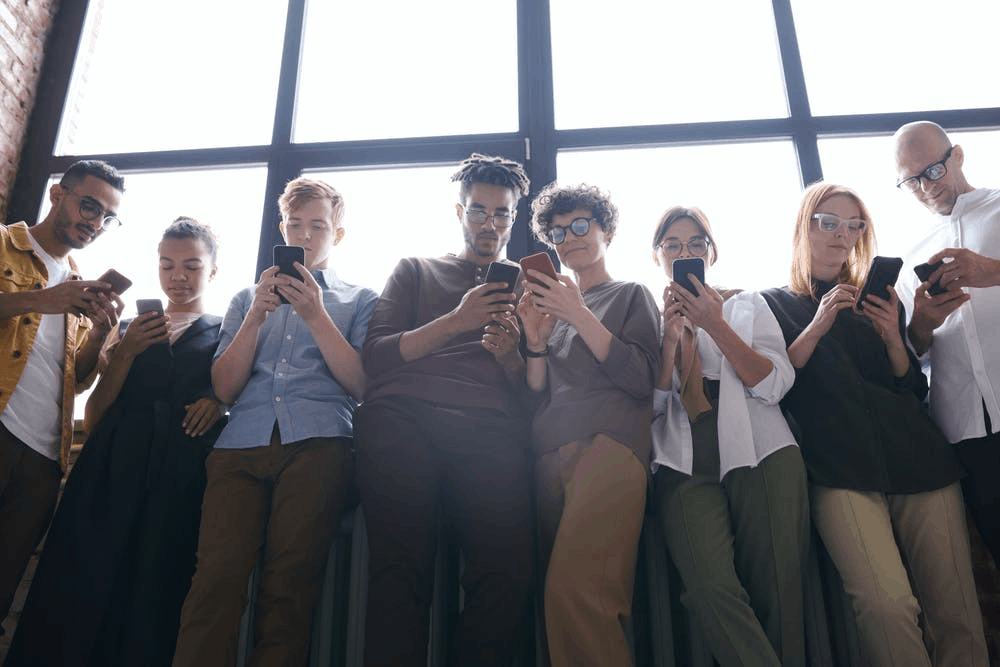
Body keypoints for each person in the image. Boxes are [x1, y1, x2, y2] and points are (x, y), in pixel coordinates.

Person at [761, 182, 988, 667]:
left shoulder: (883, 299)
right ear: (804, 225)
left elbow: (908, 386)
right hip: (838, 471)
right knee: (885, 607)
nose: (842, 235)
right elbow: (775, 385)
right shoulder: (770, 304)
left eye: (854, 225)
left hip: (921, 460)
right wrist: (819, 322)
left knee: (957, 612)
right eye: (828, 222)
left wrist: (892, 337)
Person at [171, 177, 378, 666]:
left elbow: (364, 386)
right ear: (281, 227)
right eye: (295, 224)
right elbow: (224, 389)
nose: (304, 236)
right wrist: (256, 318)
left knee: (291, 583)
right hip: (239, 445)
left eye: (318, 226)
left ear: (338, 234)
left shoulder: (360, 298)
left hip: (320, 445)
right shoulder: (247, 298)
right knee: (215, 578)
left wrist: (316, 315)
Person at [5, 217, 226, 667]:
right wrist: (123, 352)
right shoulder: (127, 327)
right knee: (81, 576)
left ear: (213, 271)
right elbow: (97, 411)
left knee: (153, 586)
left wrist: (219, 402)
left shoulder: (228, 331)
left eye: (191, 266)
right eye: (166, 266)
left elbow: (233, 390)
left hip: (179, 473)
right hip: (111, 464)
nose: (177, 277)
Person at [355, 153, 534, 667]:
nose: (490, 223)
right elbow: (378, 356)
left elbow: (533, 393)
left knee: (506, 574)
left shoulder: (529, 286)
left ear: (513, 218)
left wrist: (511, 358)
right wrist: (457, 320)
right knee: (399, 570)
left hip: (491, 430)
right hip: (402, 419)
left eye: (501, 213)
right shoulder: (415, 269)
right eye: (478, 211)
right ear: (460, 213)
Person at [649, 206, 808, 667]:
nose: (686, 252)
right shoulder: (648, 313)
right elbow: (652, 410)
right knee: (706, 588)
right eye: (673, 245)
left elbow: (775, 383)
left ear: (711, 252)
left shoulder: (746, 304)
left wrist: (714, 323)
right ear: (658, 256)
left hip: (763, 451)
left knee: (779, 590)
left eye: (696, 244)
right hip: (683, 459)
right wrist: (668, 340)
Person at [518, 182, 659, 667]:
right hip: (548, 454)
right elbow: (538, 392)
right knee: (567, 605)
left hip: (610, 447)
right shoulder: (552, 312)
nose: (569, 237)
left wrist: (578, 313)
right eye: (557, 232)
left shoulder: (630, 294)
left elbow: (641, 379)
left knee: (577, 595)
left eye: (581, 225)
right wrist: (536, 341)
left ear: (607, 231)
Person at [0, 159, 125, 632]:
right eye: (89, 206)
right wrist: (39, 300)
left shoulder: (79, 284)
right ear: (57, 194)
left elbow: (78, 378)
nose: (95, 223)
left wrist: (97, 336)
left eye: (106, 217)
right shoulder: (4, 245)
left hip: (43, 462)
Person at [893, 120, 1000, 565]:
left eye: (932, 172)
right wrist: (921, 324)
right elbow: (913, 351)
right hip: (967, 432)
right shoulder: (910, 255)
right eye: (911, 181)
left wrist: (992, 272)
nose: (925, 188)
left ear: (956, 156)